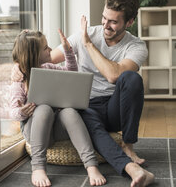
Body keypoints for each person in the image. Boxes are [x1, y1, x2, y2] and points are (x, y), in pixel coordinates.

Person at [10, 29, 106, 187]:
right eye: (45, 48)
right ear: (33, 53)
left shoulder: (48, 67)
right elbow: (13, 112)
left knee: (69, 112)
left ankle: (91, 165)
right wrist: (21, 112)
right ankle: (38, 167)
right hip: (36, 132)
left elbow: (71, 74)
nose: (50, 50)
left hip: (55, 128)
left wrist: (68, 51)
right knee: (43, 109)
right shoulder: (20, 80)